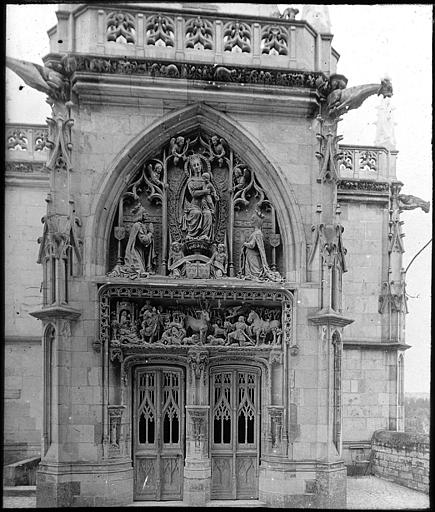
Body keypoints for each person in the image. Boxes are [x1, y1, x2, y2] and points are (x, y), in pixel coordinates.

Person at [181, 154, 215, 241]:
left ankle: (204, 235)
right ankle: (192, 235)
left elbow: (211, 190)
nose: (196, 167)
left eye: (198, 164)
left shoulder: (206, 179)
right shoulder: (191, 180)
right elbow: (193, 194)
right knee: (197, 213)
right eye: (194, 165)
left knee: (207, 214)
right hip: (194, 206)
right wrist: (205, 192)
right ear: (191, 168)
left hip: (205, 205)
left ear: (201, 165)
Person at [124, 207, 157, 274]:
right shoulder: (137, 225)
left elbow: (146, 242)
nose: (147, 214)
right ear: (141, 214)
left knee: (142, 271)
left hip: (140, 251)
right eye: (145, 213)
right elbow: (143, 240)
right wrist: (150, 233)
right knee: (140, 271)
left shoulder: (142, 225)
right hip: (135, 252)